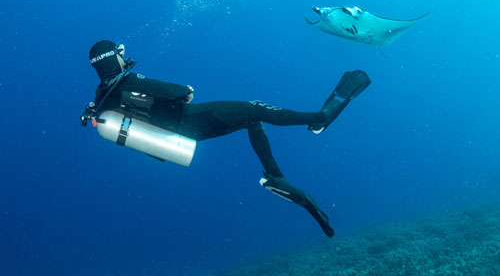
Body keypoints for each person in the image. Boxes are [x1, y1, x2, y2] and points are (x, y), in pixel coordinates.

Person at [83, 40, 371, 237]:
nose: (123, 56)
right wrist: (185, 89)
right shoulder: (129, 81)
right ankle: (318, 119)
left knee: (250, 119)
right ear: (112, 57)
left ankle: (275, 177)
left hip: (182, 134)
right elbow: (173, 91)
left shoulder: (104, 99)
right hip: (192, 118)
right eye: (119, 52)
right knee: (253, 108)